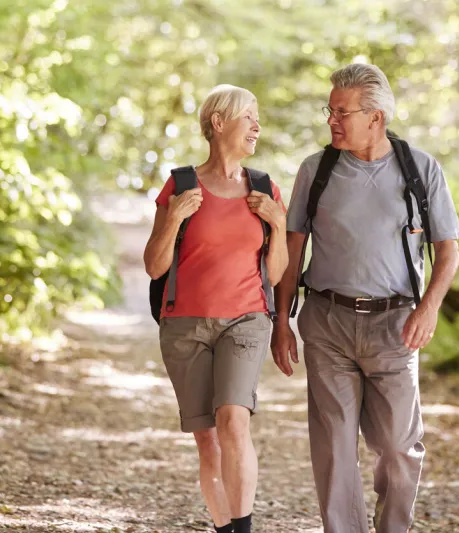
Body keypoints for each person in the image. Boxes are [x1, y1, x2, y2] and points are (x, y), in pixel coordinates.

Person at [271, 64, 459, 533]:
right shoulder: (316, 170)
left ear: (375, 116)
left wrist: (429, 306)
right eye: (329, 110)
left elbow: (448, 251)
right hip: (327, 321)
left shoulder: (420, 169)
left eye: (342, 112)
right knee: (335, 449)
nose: (331, 120)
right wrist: (281, 319)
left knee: (399, 446)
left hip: (395, 326)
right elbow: (293, 248)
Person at [143, 84, 288, 533]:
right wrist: (175, 219)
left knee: (233, 420)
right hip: (184, 323)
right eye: (249, 117)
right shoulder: (181, 185)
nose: (257, 126)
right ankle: (225, 527)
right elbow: (153, 266)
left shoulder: (264, 189)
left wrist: (278, 226)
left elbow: (278, 272)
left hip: (246, 320)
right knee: (208, 440)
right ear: (219, 122)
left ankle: (241, 530)